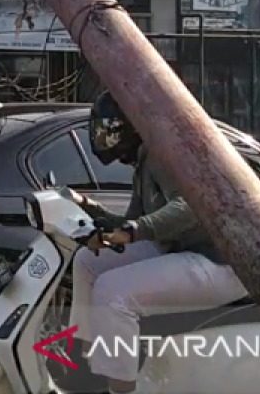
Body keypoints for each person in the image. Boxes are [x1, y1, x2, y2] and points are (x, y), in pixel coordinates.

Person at [65, 90, 248, 394]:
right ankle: (87, 366)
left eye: (111, 130)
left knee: (114, 292)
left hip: (219, 261)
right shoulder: (144, 162)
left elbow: (190, 205)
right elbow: (131, 221)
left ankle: (119, 388)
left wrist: (136, 229)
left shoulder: (165, 154)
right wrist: (87, 207)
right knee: (88, 261)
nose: (104, 138)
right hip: (181, 250)